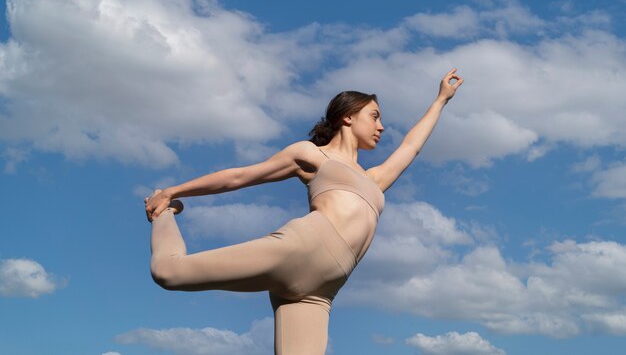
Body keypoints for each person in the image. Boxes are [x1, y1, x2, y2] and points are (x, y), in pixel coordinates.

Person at [144, 68, 463, 355]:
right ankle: (164, 210)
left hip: (321, 291)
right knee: (168, 273)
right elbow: (241, 176)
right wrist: (175, 191)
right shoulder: (313, 156)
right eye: (374, 116)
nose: (381, 126)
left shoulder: (374, 180)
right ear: (348, 117)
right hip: (302, 248)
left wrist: (440, 100)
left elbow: (411, 147)